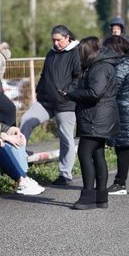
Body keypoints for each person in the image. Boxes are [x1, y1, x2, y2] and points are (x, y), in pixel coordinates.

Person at [19, 25, 80, 186]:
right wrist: (40, 91)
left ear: (67, 38)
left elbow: (78, 77)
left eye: (59, 40)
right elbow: (44, 75)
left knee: (66, 136)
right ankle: (18, 160)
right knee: (26, 119)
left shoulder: (76, 52)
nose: (56, 43)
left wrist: (67, 91)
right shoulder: (51, 53)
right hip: (46, 101)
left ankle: (65, 174)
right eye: (53, 40)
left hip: (66, 103)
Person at [63, 37, 119, 210]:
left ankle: (88, 197)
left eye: (80, 53)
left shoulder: (99, 68)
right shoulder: (100, 65)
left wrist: (71, 94)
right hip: (99, 117)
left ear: (87, 52)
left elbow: (95, 93)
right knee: (97, 155)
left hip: (95, 118)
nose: (78, 57)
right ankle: (101, 198)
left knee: (84, 154)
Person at [104, 35, 129, 195]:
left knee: (123, 148)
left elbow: (114, 88)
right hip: (126, 110)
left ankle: (120, 183)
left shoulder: (121, 66)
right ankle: (120, 182)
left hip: (124, 112)